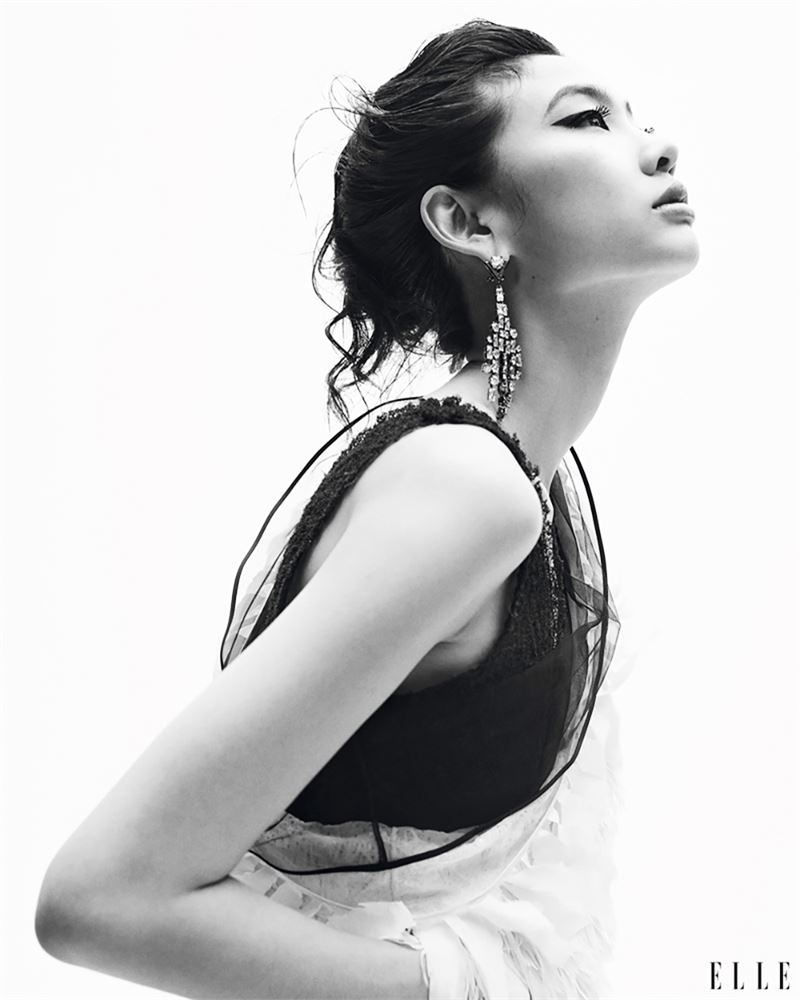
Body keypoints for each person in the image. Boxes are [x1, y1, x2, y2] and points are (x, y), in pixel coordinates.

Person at [34, 18, 699, 999]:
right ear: (468, 222)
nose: (658, 146)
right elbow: (101, 900)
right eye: (586, 121)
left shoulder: (525, 478)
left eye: (634, 117)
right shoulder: (465, 486)